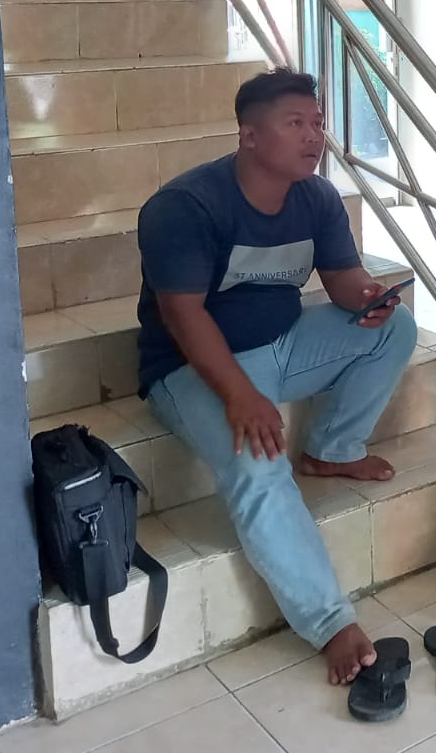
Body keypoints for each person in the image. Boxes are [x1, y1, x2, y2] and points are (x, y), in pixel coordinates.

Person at [136, 68, 418, 687]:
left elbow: (340, 277)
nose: (314, 136)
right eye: (295, 123)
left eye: (317, 123)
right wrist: (240, 394)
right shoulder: (186, 207)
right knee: (259, 466)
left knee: (394, 330)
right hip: (192, 367)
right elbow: (181, 316)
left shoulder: (317, 197)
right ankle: (328, 621)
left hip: (285, 346)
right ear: (250, 136)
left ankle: (332, 450)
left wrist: (365, 295)